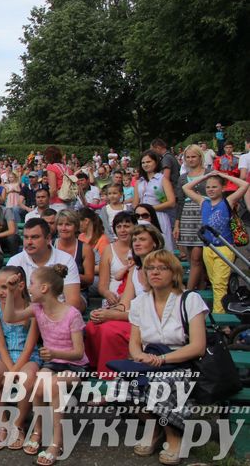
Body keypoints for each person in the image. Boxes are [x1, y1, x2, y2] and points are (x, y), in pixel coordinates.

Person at [121, 250, 208, 464]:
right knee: (122, 383)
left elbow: (198, 346)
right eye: (150, 268)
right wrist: (140, 356)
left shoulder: (190, 299)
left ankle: (173, 435)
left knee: (162, 382)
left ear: (174, 272)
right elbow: (134, 342)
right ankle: (153, 428)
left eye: (162, 268)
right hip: (149, 360)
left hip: (183, 362)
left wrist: (163, 360)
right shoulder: (140, 302)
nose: (155, 272)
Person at [4, 265, 88, 466]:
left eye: (32, 283)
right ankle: (38, 431)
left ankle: (56, 442)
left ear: (44, 288)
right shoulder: (37, 309)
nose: (29, 288)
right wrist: (10, 292)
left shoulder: (72, 314)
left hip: (74, 366)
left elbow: (78, 352)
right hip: (53, 364)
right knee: (38, 384)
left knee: (53, 385)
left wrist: (55, 353)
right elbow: (10, 317)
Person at [84, 223, 164, 376]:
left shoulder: (160, 269)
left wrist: (114, 315)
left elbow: (154, 311)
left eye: (142, 239)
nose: (137, 243)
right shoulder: (135, 268)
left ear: (154, 243)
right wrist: (105, 312)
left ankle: (112, 376)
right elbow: (124, 303)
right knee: (93, 325)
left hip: (151, 321)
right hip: (133, 316)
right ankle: (94, 369)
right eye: (135, 240)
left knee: (109, 330)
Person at [0, 265, 40, 451]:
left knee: (27, 378)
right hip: (4, 355)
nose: (0, 292)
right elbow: (0, 344)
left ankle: (18, 424)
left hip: (28, 356)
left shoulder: (33, 309)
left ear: (20, 286)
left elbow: (30, 345)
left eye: (5, 287)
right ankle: (3, 424)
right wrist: (9, 369)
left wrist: (15, 371)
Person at [183, 171, 250, 314]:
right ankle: (222, 312)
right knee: (215, 282)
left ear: (222, 188)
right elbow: (186, 188)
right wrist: (205, 177)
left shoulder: (228, 201)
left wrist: (223, 176)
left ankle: (219, 316)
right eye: (208, 187)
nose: (211, 190)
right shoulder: (203, 202)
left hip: (225, 247)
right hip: (208, 248)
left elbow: (244, 185)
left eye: (214, 187)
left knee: (220, 284)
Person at [6, 219, 83, 311]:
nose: (29, 242)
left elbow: (73, 303)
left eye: (35, 237)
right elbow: (8, 301)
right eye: (26, 237)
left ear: (48, 239)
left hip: (59, 315)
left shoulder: (66, 260)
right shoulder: (14, 261)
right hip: (25, 315)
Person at [174, 144, 209, 290]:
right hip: (187, 217)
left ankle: (188, 291)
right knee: (192, 258)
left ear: (200, 157)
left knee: (196, 257)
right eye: (187, 157)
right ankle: (200, 288)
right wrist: (177, 224)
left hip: (204, 214)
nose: (190, 159)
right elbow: (180, 202)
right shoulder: (182, 178)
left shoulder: (209, 173)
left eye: (193, 156)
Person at [133, 150, 176, 250]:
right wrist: (140, 211)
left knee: (161, 244)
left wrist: (150, 209)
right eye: (143, 162)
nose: (145, 165)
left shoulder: (162, 179)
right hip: (142, 218)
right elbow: (135, 203)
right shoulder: (139, 182)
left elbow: (171, 202)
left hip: (159, 216)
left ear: (156, 162)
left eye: (148, 162)